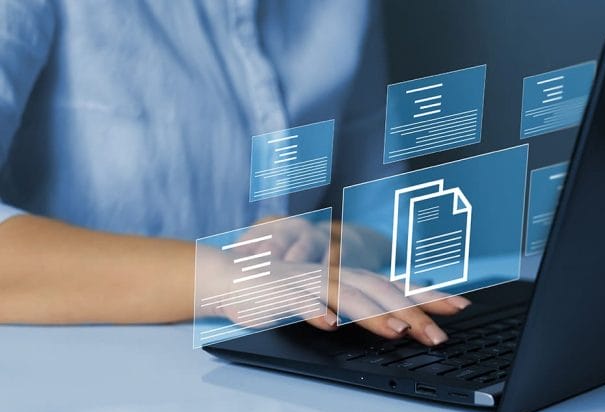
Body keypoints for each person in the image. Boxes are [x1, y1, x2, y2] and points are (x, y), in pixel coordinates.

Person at [0, 0, 469, 346]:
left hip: (286, 373)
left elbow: (385, 210)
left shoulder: (344, 9)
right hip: (84, 380)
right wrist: (224, 279)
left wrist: (330, 244)